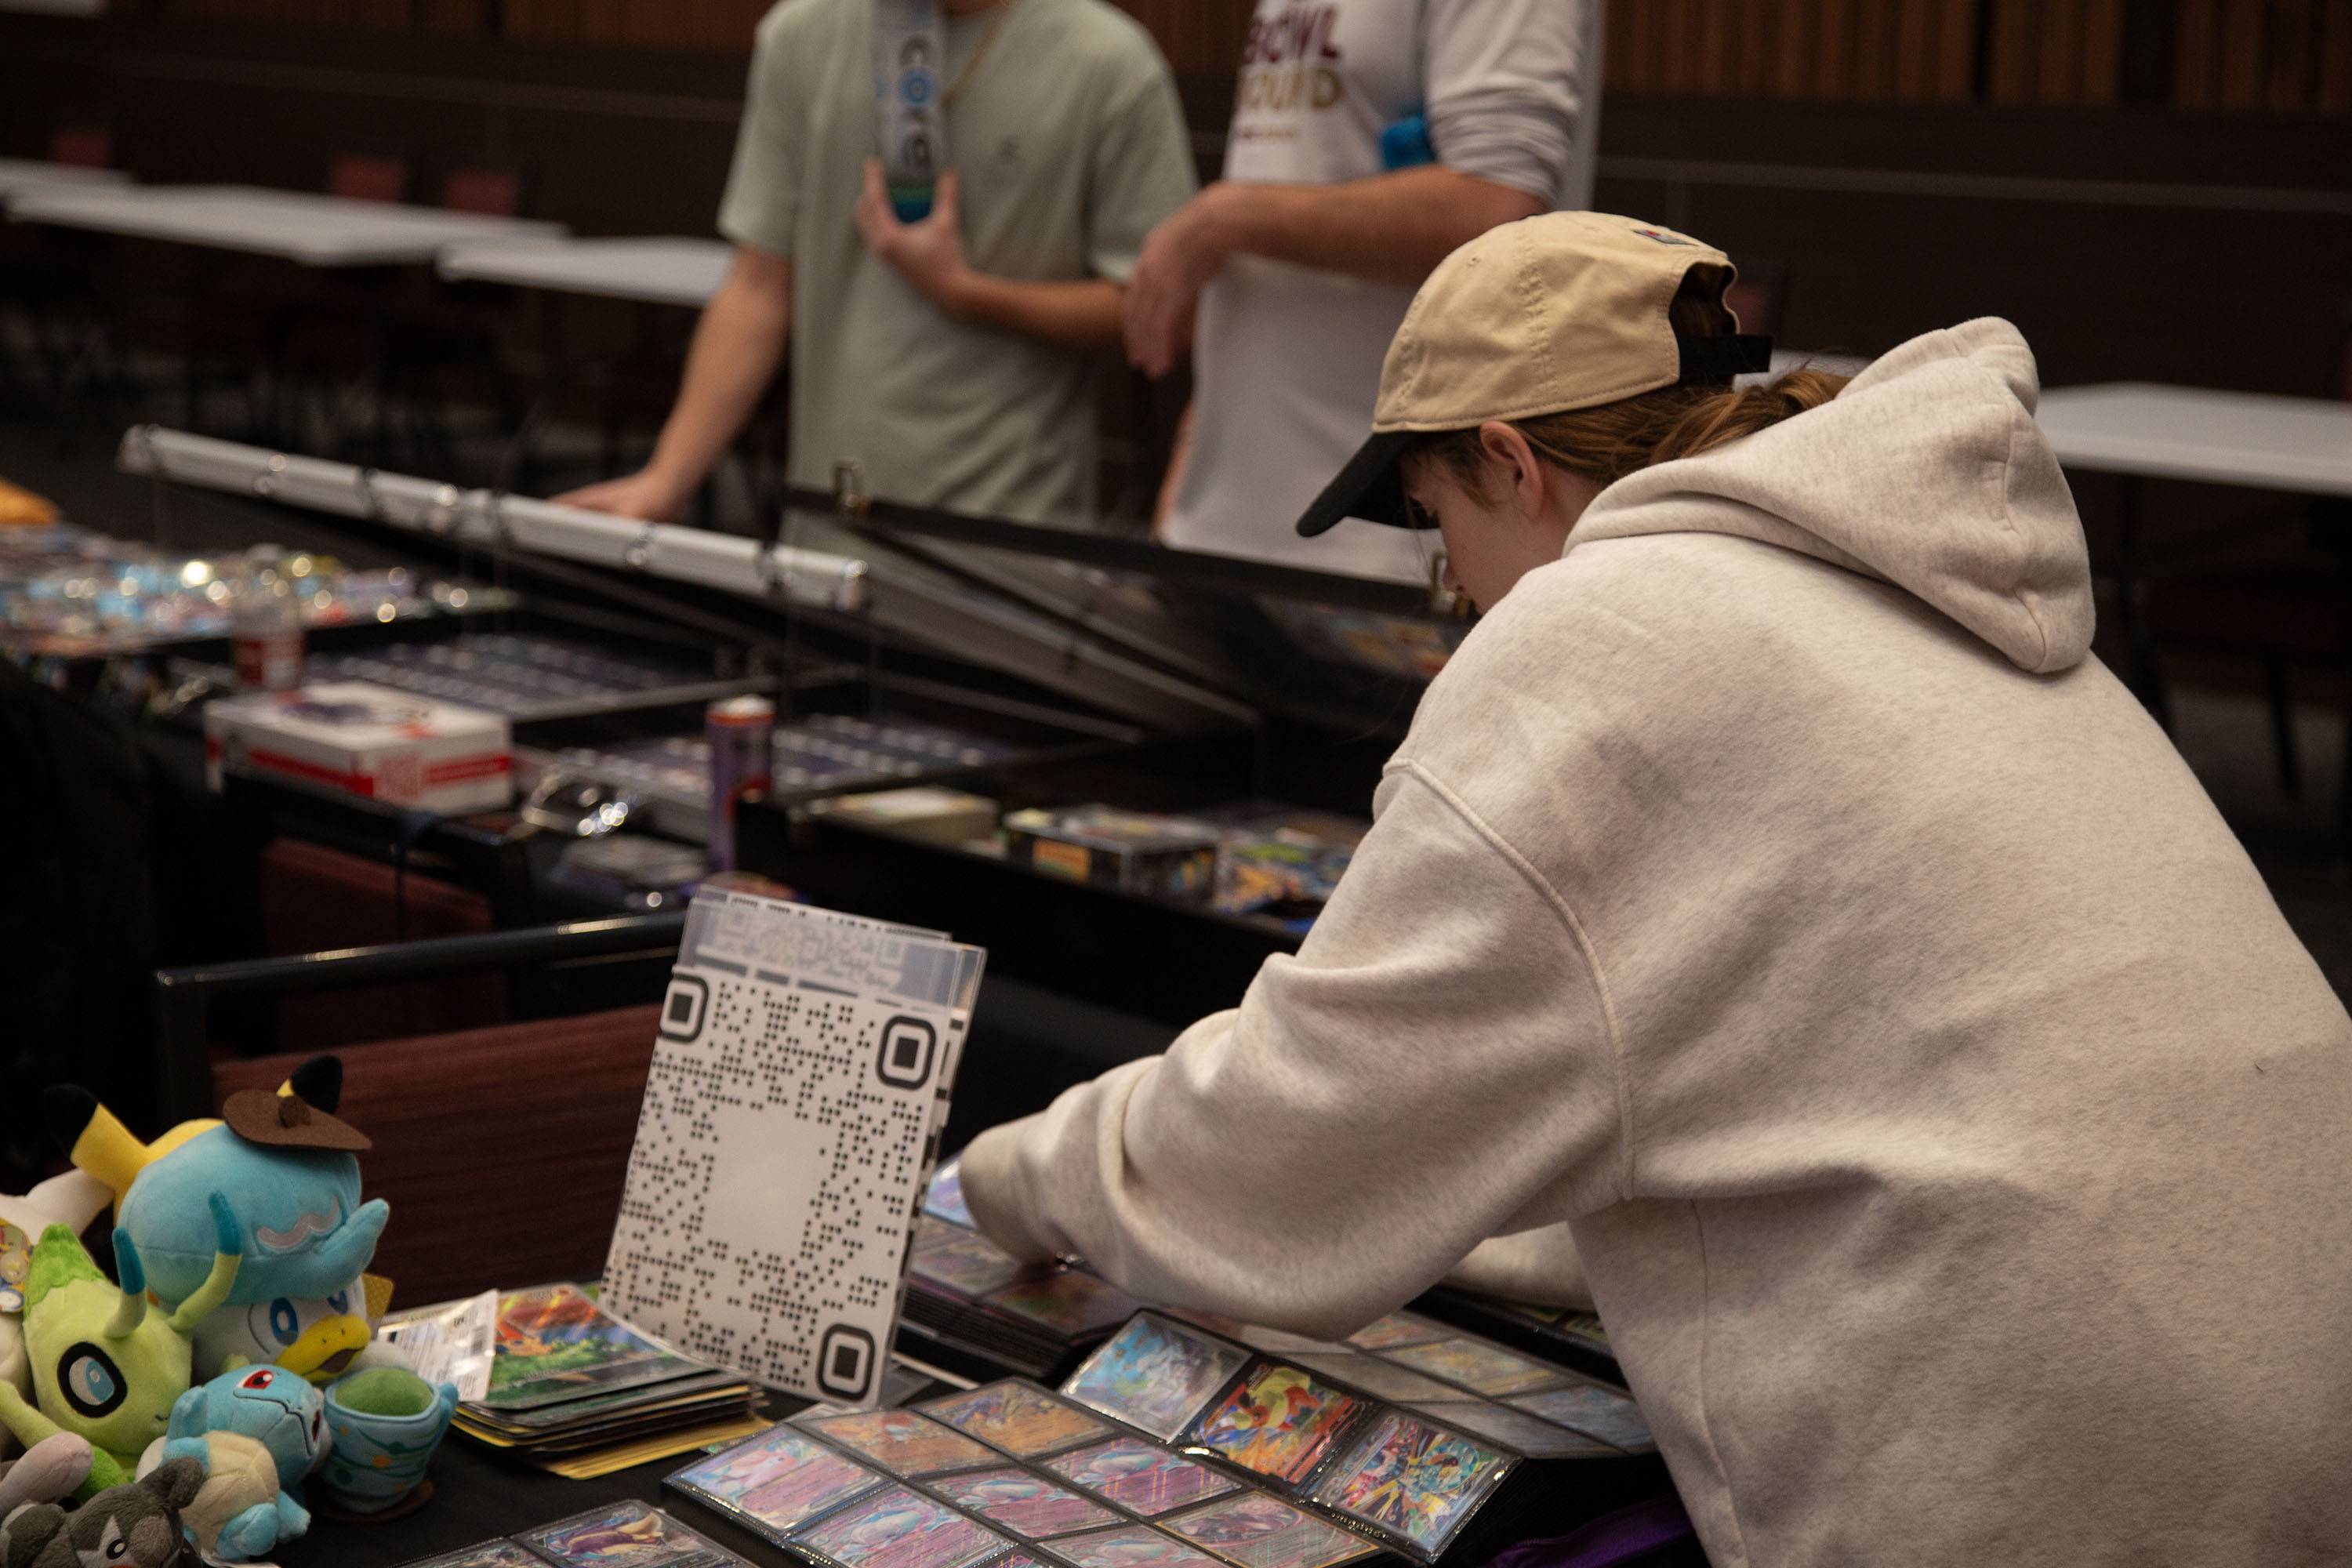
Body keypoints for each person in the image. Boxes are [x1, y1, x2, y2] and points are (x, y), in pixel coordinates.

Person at [960, 213, 2352, 1563]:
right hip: (2287, 1394)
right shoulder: (1924, 578)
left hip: (2047, 1480)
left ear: (1511, 462)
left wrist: (1004, 1178)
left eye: (1441, 535)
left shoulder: (1601, 631)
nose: (1453, 598)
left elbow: (1281, 1168)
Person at [559, 0, 1196, 530]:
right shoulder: (802, 34)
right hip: (832, 520)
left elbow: (1159, 310)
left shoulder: (1106, 60)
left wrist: (967, 293)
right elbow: (758, 285)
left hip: (1012, 535)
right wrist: (668, 478)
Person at [1138, 0, 1602, 582]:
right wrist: (1193, 458)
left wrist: (1219, 219)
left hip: (1386, 555)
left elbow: (1496, 204)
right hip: (1217, 529)